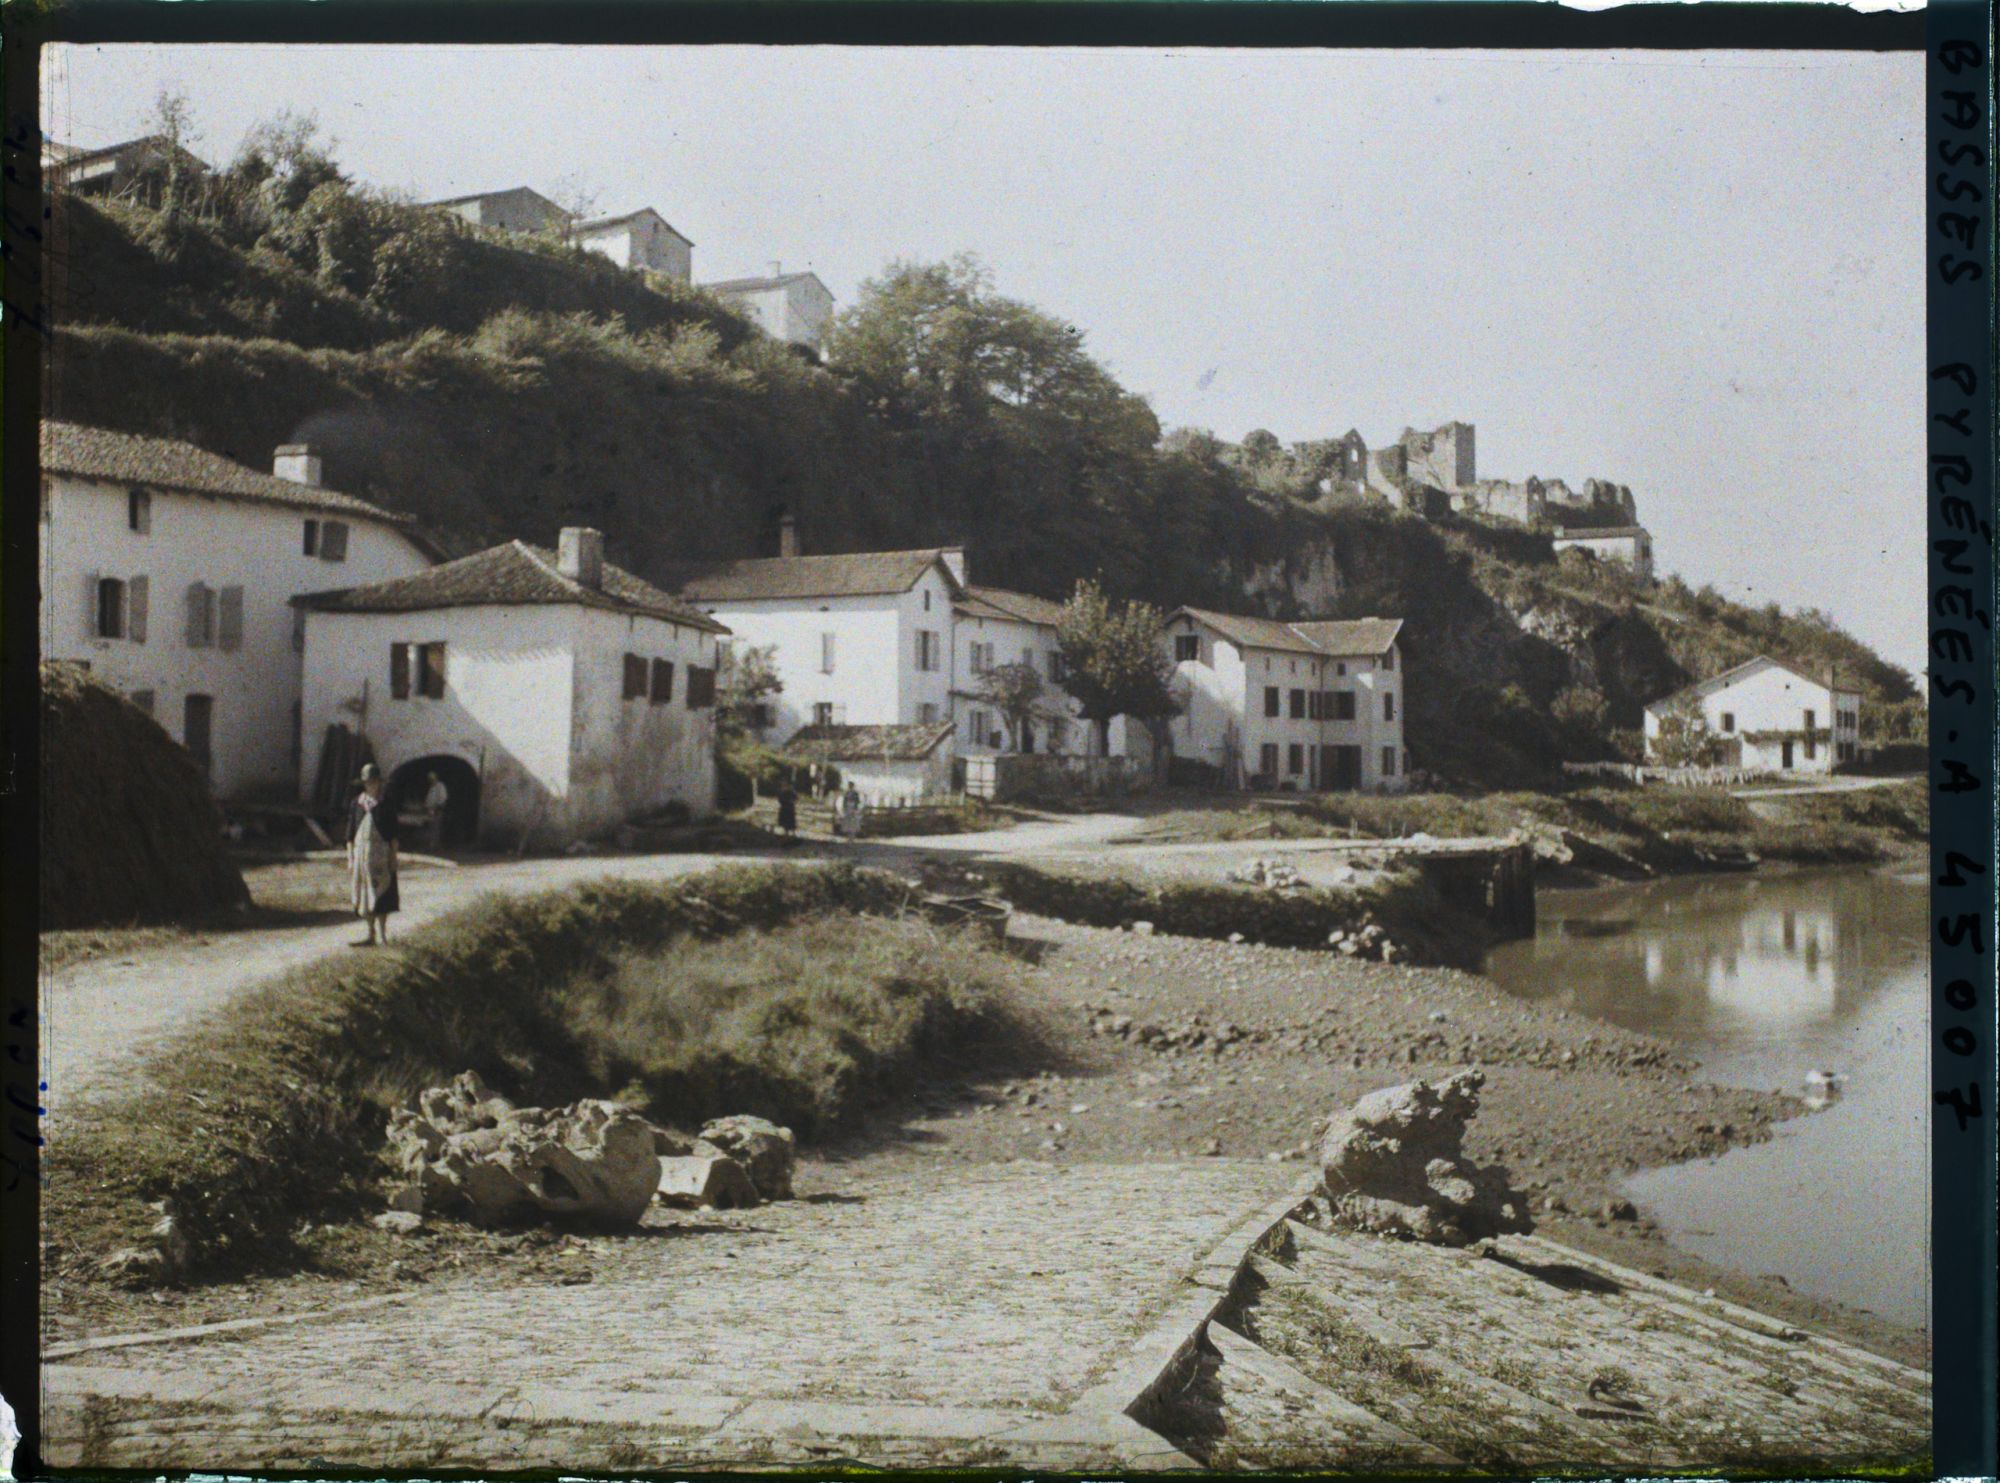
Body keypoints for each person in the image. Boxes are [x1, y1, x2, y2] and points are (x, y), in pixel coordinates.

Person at [346, 763, 401, 946]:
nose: (371, 785)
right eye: (368, 782)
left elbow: (393, 834)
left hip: (380, 854)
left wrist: (393, 856)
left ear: (379, 783)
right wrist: (350, 859)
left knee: (381, 894)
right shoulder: (356, 803)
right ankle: (370, 934)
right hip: (361, 855)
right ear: (364, 783)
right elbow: (349, 835)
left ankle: (383, 936)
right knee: (364, 895)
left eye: (374, 782)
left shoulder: (386, 803)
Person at [421, 771, 450, 851]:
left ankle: (434, 846)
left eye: (431, 779)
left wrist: (436, 809)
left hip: (437, 810)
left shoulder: (440, 786)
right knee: (431, 828)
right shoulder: (432, 787)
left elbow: (443, 800)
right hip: (430, 811)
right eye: (429, 779)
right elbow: (429, 800)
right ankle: (431, 845)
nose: (430, 781)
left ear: (435, 778)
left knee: (436, 829)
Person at [776, 778, 800, 846]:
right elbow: (779, 799)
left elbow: (796, 798)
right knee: (785, 824)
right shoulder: (781, 791)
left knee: (790, 823)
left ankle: (792, 836)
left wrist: (791, 801)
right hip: (784, 808)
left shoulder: (790, 791)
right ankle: (786, 836)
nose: (784, 785)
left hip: (789, 808)